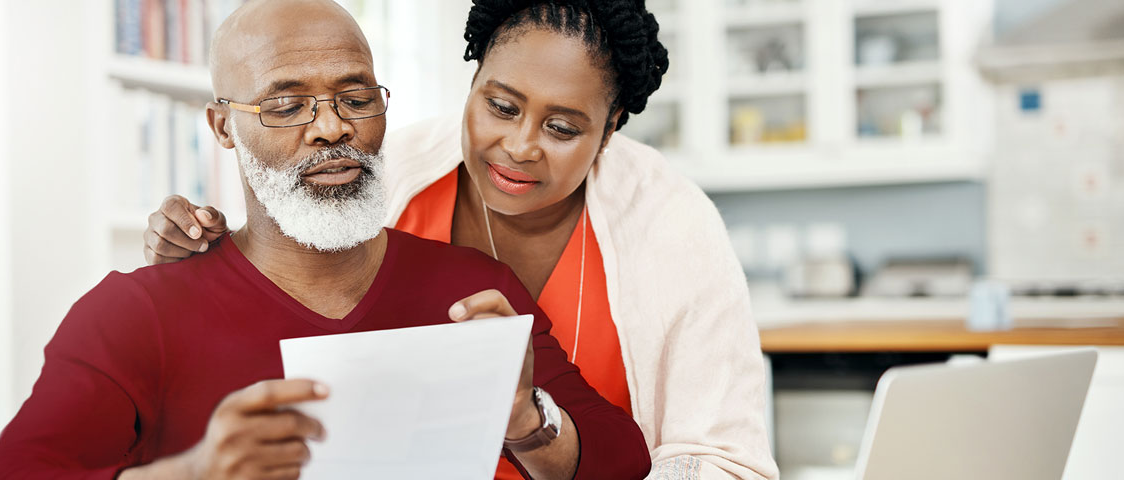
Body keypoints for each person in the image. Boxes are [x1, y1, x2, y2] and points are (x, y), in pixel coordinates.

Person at [0, 1, 652, 479]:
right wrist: (191, 474)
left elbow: (622, 459)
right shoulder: (133, 313)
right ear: (223, 126)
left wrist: (525, 420)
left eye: (356, 98)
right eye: (286, 105)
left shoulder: (476, 291)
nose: (331, 127)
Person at [145, 0, 778, 479]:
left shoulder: (672, 226)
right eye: (500, 107)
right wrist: (196, 260)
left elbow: (723, 459)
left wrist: (534, 426)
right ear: (472, 83)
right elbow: (278, 300)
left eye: (562, 128)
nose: (520, 146)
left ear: (609, 129)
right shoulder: (383, 175)